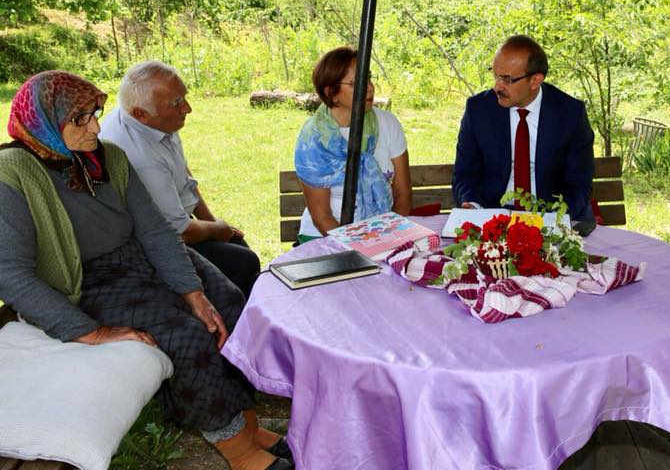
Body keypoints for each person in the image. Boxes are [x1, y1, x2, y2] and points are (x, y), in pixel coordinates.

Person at [0, 71, 291, 470]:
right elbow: (11, 274)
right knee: (187, 334)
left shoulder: (108, 158)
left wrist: (192, 291)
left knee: (227, 301)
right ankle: (233, 444)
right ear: (46, 124)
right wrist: (91, 332)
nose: (96, 127)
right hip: (86, 280)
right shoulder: (11, 175)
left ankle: (247, 422)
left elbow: (154, 229)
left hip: (136, 255)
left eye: (96, 114)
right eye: (81, 119)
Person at [99, 61, 261, 298]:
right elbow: (179, 231)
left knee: (239, 248)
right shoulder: (140, 158)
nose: (187, 108)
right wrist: (218, 229)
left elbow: (184, 179)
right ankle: (232, 327)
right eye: (176, 103)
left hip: (177, 224)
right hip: (155, 245)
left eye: (184, 97)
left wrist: (213, 222)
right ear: (141, 115)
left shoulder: (154, 122)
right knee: (243, 263)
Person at [452, 35, 595, 222]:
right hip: (493, 214)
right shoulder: (479, 110)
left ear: (535, 81)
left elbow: (579, 182)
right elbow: (464, 174)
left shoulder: (569, 113)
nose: (497, 86)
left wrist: (556, 220)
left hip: (550, 215)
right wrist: (472, 205)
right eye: (495, 75)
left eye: (507, 79)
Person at [295, 46, 411, 241]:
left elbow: (403, 193)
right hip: (327, 237)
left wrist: (389, 238)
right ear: (332, 93)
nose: (370, 88)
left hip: (386, 232)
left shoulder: (387, 123)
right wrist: (361, 246)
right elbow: (322, 217)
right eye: (357, 82)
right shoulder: (313, 140)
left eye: (369, 78)